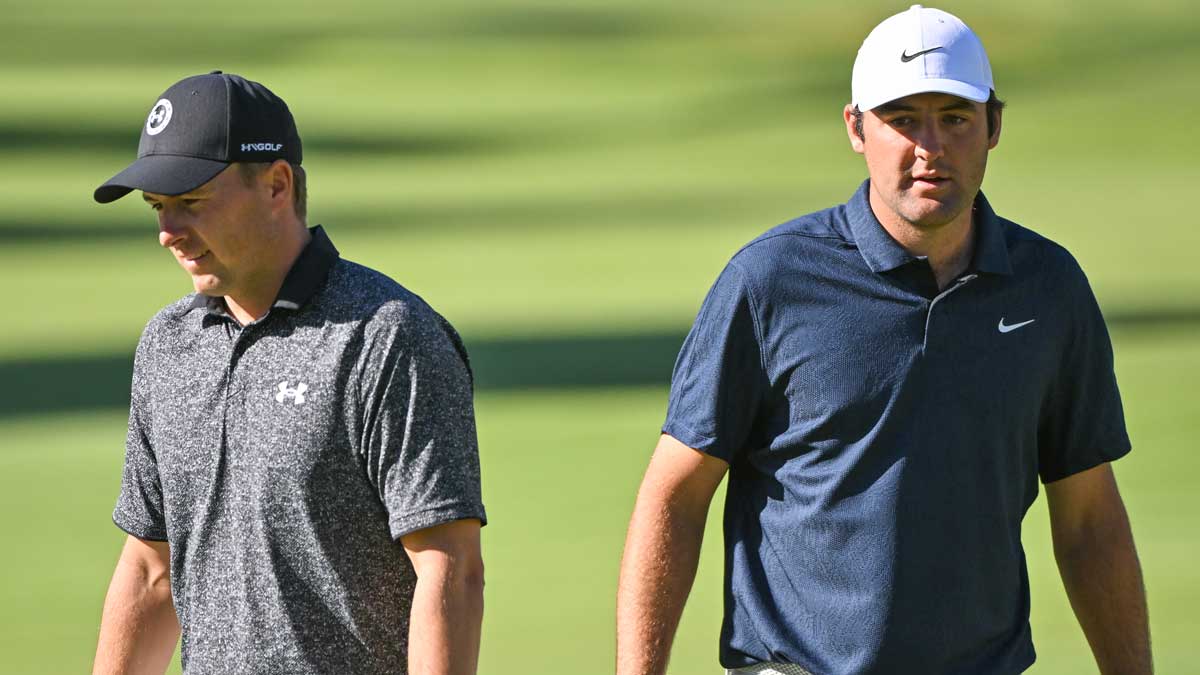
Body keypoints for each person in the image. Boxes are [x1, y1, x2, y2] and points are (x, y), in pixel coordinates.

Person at [616, 6, 1151, 675]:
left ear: (994, 126)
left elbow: (1090, 518)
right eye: (903, 120)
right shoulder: (772, 281)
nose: (930, 144)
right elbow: (675, 494)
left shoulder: (1048, 287)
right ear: (856, 128)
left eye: (954, 117)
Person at [91, 71, 486, 675]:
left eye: (190, 201)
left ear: (276, 185)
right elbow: (151, 571)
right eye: (157, 207)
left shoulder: (385, 335)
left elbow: (449, 569)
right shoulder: (167, 347)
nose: (167, 232)